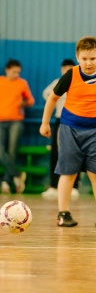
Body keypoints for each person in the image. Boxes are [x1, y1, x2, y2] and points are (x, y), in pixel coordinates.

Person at [39, 36, 96, 228]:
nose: (88, 63)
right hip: (69, 130)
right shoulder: (70, 75)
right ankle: (63, 214)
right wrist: (45, 123)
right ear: (77, 57)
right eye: (84, 58)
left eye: (92, 58)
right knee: (68, 173)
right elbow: (52, 99)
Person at [41, 59, 81, 201]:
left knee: (74, 153)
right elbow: (46, 94)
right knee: (55, 153)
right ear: (62, 69)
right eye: (65, 68)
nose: (67, 70)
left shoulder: (79, 83)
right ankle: (53, 186)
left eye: (70, 67)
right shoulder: (57, 82)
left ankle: (74, 187)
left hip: (76, 121)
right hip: (59, 120)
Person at [0, 59, 35, 194]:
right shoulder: (1, 81)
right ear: (7, 70)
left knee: (12, 151)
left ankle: (6, 182)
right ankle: (18, 174)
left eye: (18, 72)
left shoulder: (22, 83)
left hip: (16, 121)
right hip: (1, 120)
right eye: (14, 72)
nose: (16, 74)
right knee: (1, 151)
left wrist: (24, 103)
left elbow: (30, 100)